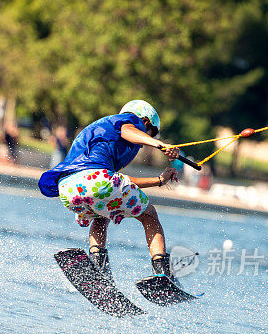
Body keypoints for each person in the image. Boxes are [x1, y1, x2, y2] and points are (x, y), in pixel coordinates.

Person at [38, 99, 180, 279]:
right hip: (96, 181)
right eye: (150, 134)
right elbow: (128, 131)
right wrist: (161, 145)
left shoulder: (102, 129)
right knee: (150, 214)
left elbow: (117, 182)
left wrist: (159, 180)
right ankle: (163, 273)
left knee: (102, 214)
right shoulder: (130, 121)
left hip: (67, 188)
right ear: (145, 122)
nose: (145, 142)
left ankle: (98, 269)